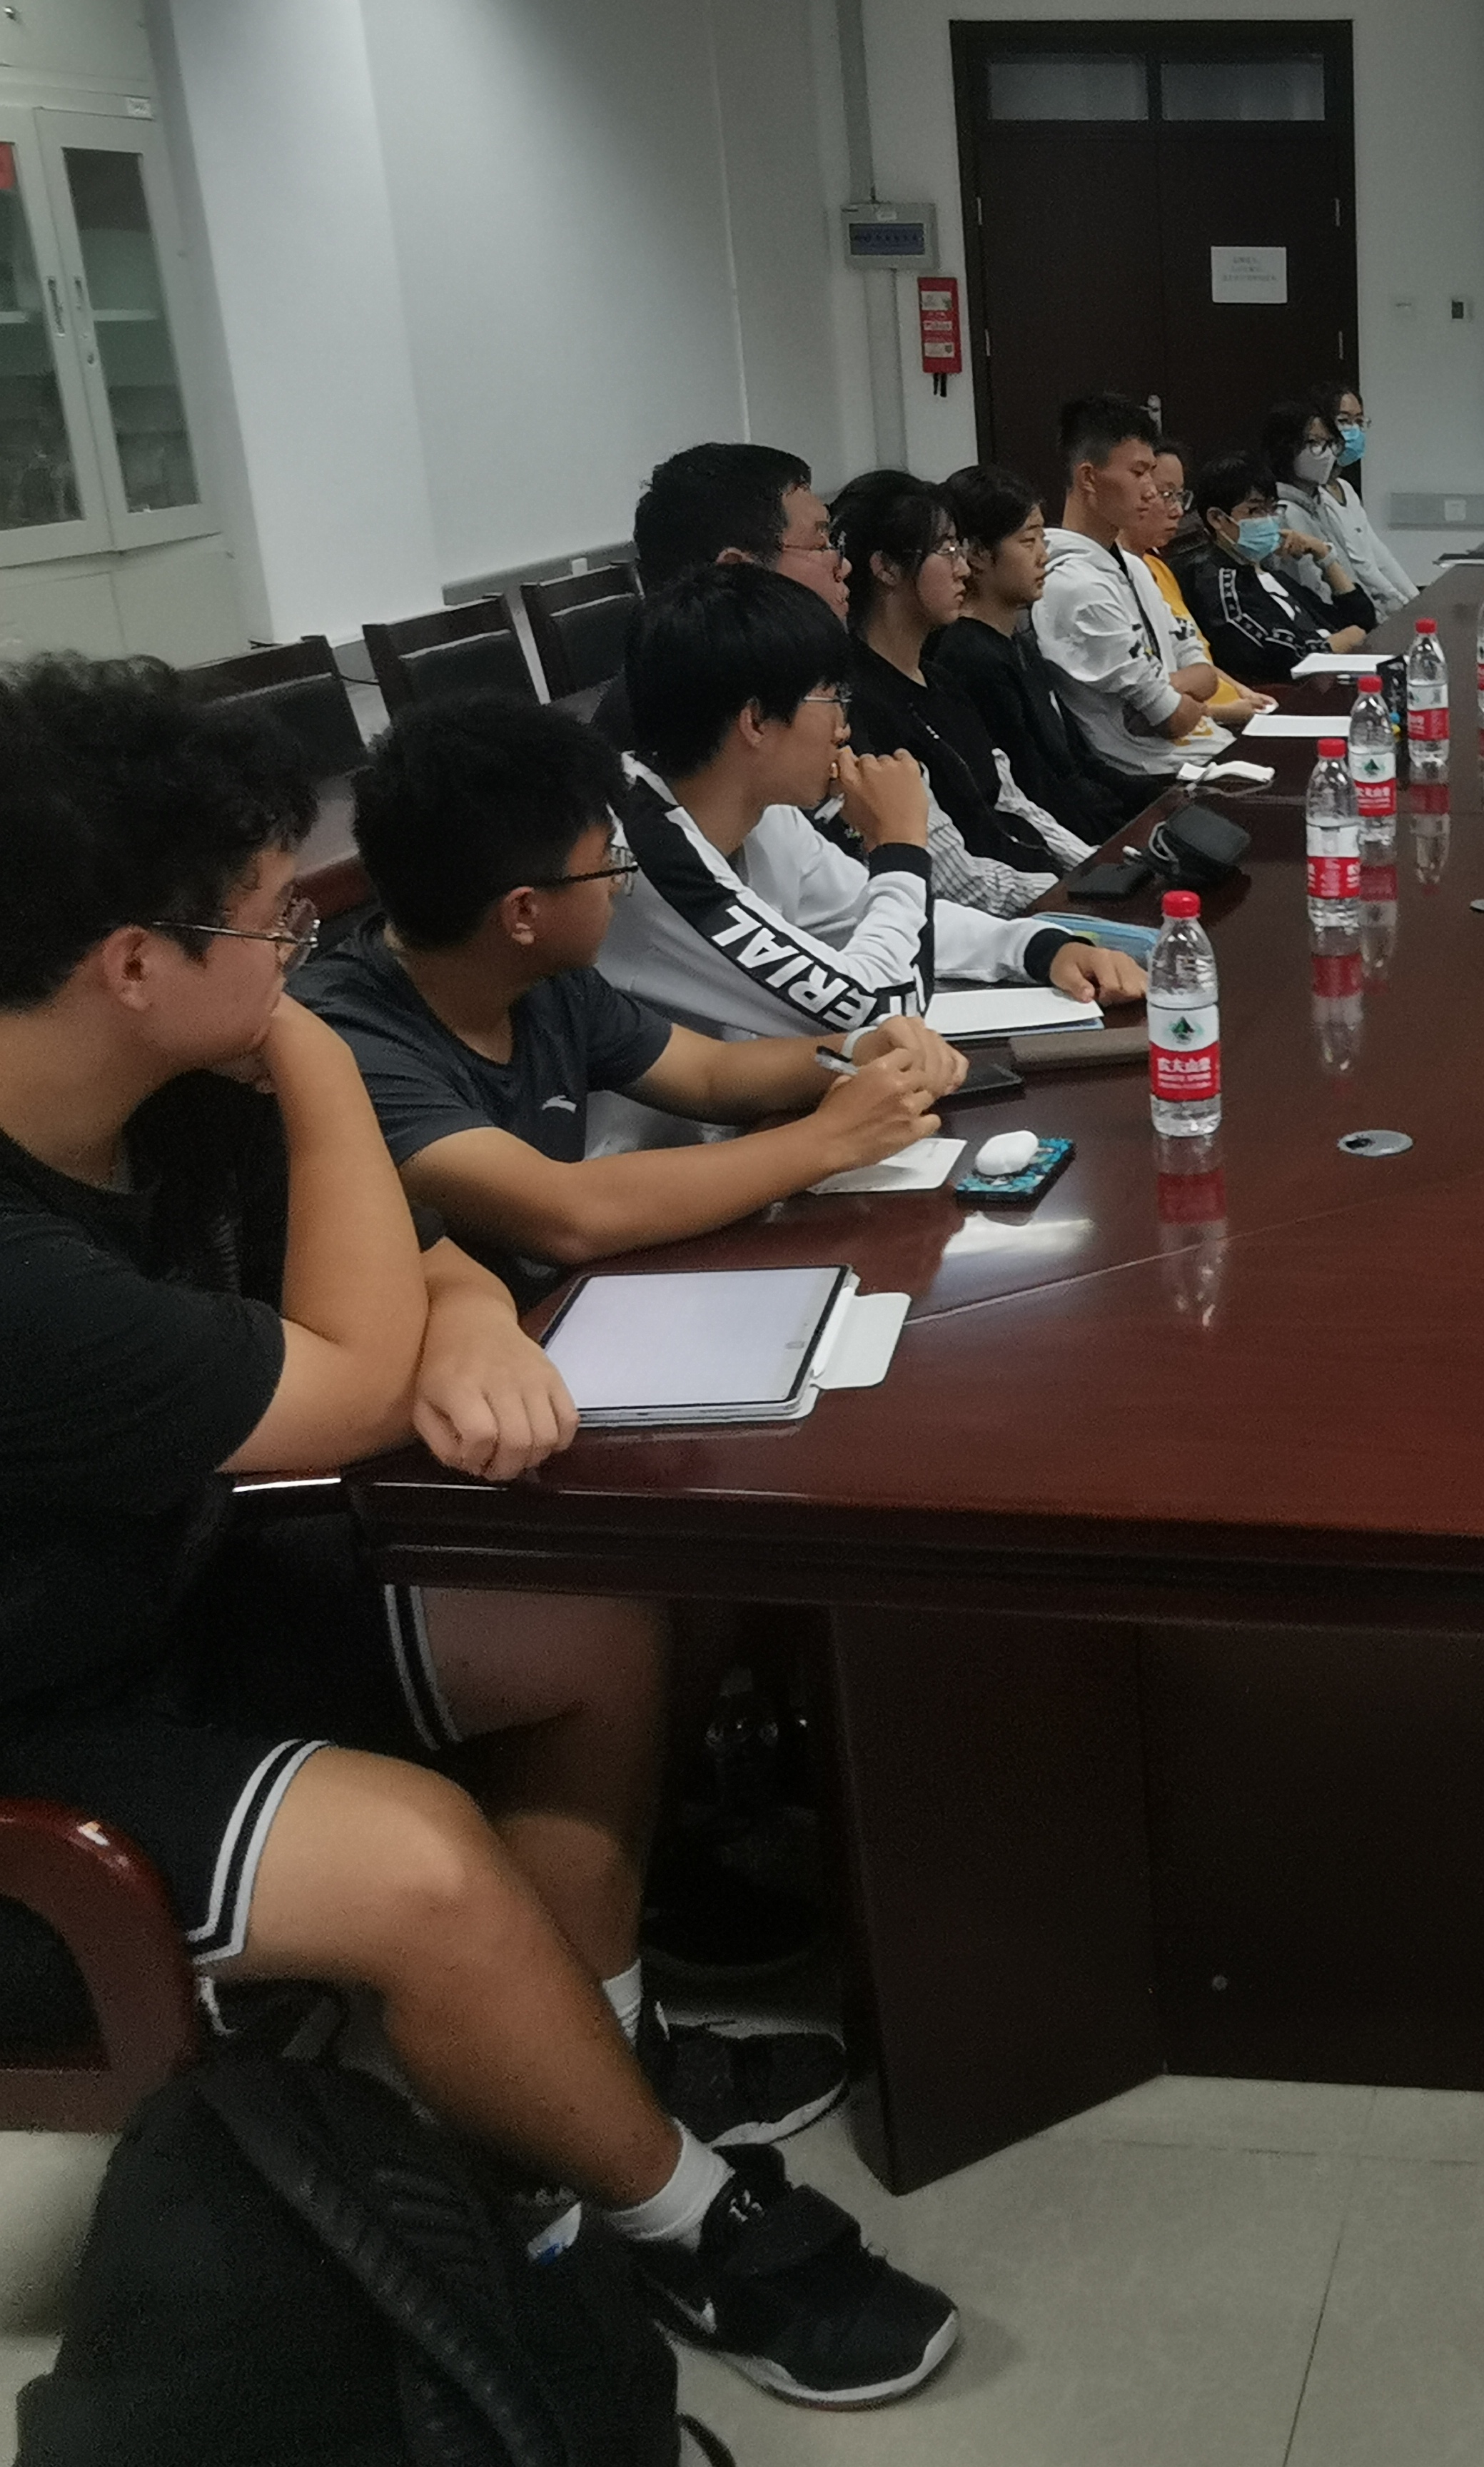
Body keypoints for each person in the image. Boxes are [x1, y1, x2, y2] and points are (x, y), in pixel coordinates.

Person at [0, 655, 959, 2408]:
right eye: (272, 924)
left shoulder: (168, 1096)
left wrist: (462, 1318)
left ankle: (595, 2053)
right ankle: (671, 2217)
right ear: (135, 965)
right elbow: (342, 1389)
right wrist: (311, 1049)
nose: (304, 951)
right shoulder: (51, 1235)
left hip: (165, 1602)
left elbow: (416, 1264)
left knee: (582, 1618)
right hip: (33, 1741)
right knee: (425, 1861)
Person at [299, 695, 970, 1298]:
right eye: (608, 866)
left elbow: (709, 1075)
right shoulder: (348, 1041)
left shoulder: (539, 974)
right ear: (523, 913)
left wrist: (859, 1050)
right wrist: (830, 1138)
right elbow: (568, 1214)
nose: (620, 886)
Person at [600, 562, 1144, 1041]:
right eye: (831, 697)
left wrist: (1041, 949)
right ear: (757, 720)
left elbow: (876, 916)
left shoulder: (766, 815)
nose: (844, 725)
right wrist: (900, 848)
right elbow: (877, 1004)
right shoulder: (640, 854)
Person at [832, 468, 1099, 914]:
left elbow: (1011, 800)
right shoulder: (860, 705)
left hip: (1037, 889)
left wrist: (1096, 869)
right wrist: (1065, 894)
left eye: (959, 548)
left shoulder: (941, 681)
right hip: (989, 922)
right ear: (887, 568)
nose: (962, 569)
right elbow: (954, 879)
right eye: (946, 549)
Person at [932, 460, 1153, 845]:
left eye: (1042, 540)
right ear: (978, 555)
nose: (1043, 556)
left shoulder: (1018, 642)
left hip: (1093, 817)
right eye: (1028, 541)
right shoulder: (971, 660)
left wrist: (1165, 797)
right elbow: (1036, 792)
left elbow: (1078, 761)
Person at [1035, 393, 1251, 778]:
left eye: (1151, 472)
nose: (1151, 491)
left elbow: (1204, 674)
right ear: (1089, 478)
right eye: (1138, 473)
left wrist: (1169, 687)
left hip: (1206, 752)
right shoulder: (1072, 585)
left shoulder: (1135, 566)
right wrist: (1176, 694)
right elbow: (1171, 719)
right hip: (1156, 776)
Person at [588, 443, 852, 749]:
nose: (844, 566)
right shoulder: (687, 717)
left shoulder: (792, 671)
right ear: (737, 571)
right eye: (820, 546)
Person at [1171, 449, 1377, 687]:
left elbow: (1361, 620)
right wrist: (1334, 644)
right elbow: (1269, 655)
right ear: (1217, 518)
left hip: (1330, 680)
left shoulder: (1271, 574)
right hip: (1289, 694)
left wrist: (1323, 554)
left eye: (1272, 509)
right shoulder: (1216, 580)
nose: (1268, 519)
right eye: (1254, 510)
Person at [1133, 439, 1261, 720]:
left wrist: (1242, 691)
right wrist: (1224, 712)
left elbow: (1197, 656)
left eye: (1180, 496)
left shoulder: (1158, 567)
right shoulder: (1120, 578)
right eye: (1166, 495)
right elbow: (1150, 699)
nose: (1178, 510)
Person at [1273, 388, 1417, 617]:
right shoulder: (1286, 511)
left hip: (1361, 608)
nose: (1326, 453)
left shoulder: (1321, 498)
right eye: (1315, 442)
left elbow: (1377, 557)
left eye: (1359, 421)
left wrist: (1412, 602)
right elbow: (1323, 586)